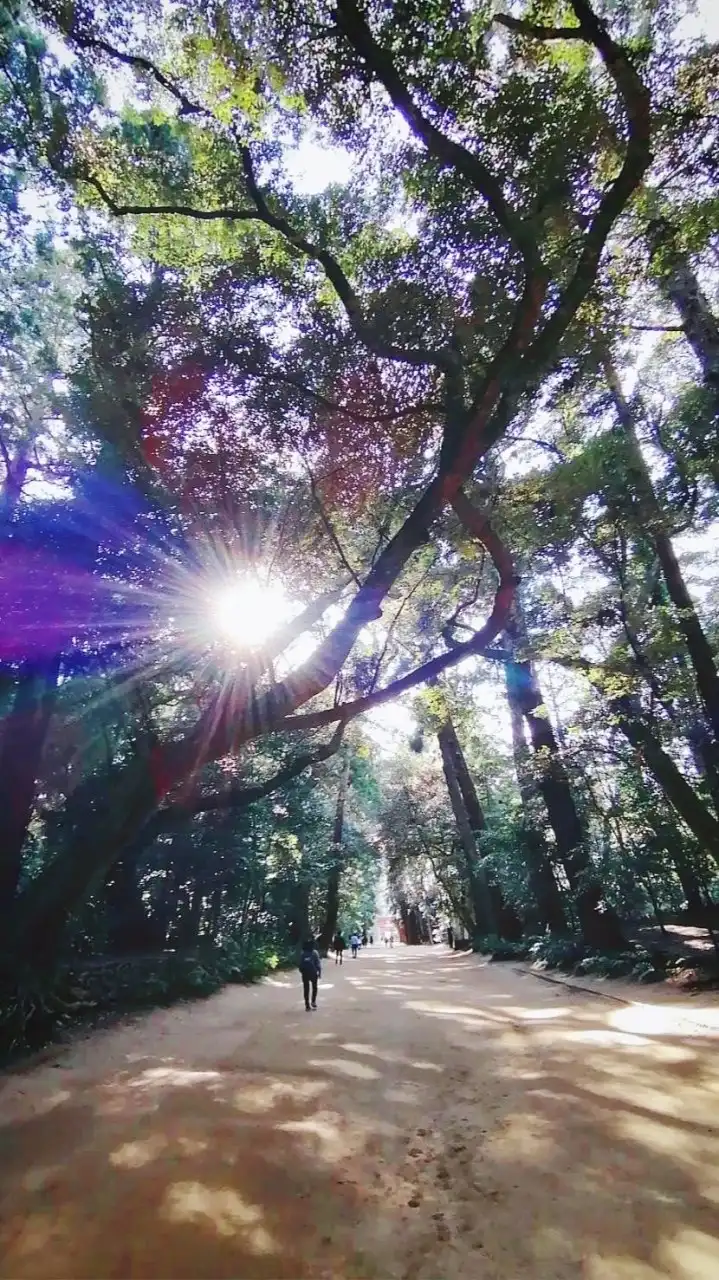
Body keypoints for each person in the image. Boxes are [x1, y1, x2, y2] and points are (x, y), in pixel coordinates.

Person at [299, 937, 321, 1011]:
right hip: (313, 973)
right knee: (314, 987)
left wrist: (302, 971)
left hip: (305, 973)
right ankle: (313, 1001)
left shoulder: (302, 953)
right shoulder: (315, 952)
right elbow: (318, 964)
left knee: (306, 989)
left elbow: (300, 964)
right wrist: (319, 972)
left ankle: (307, 1005)